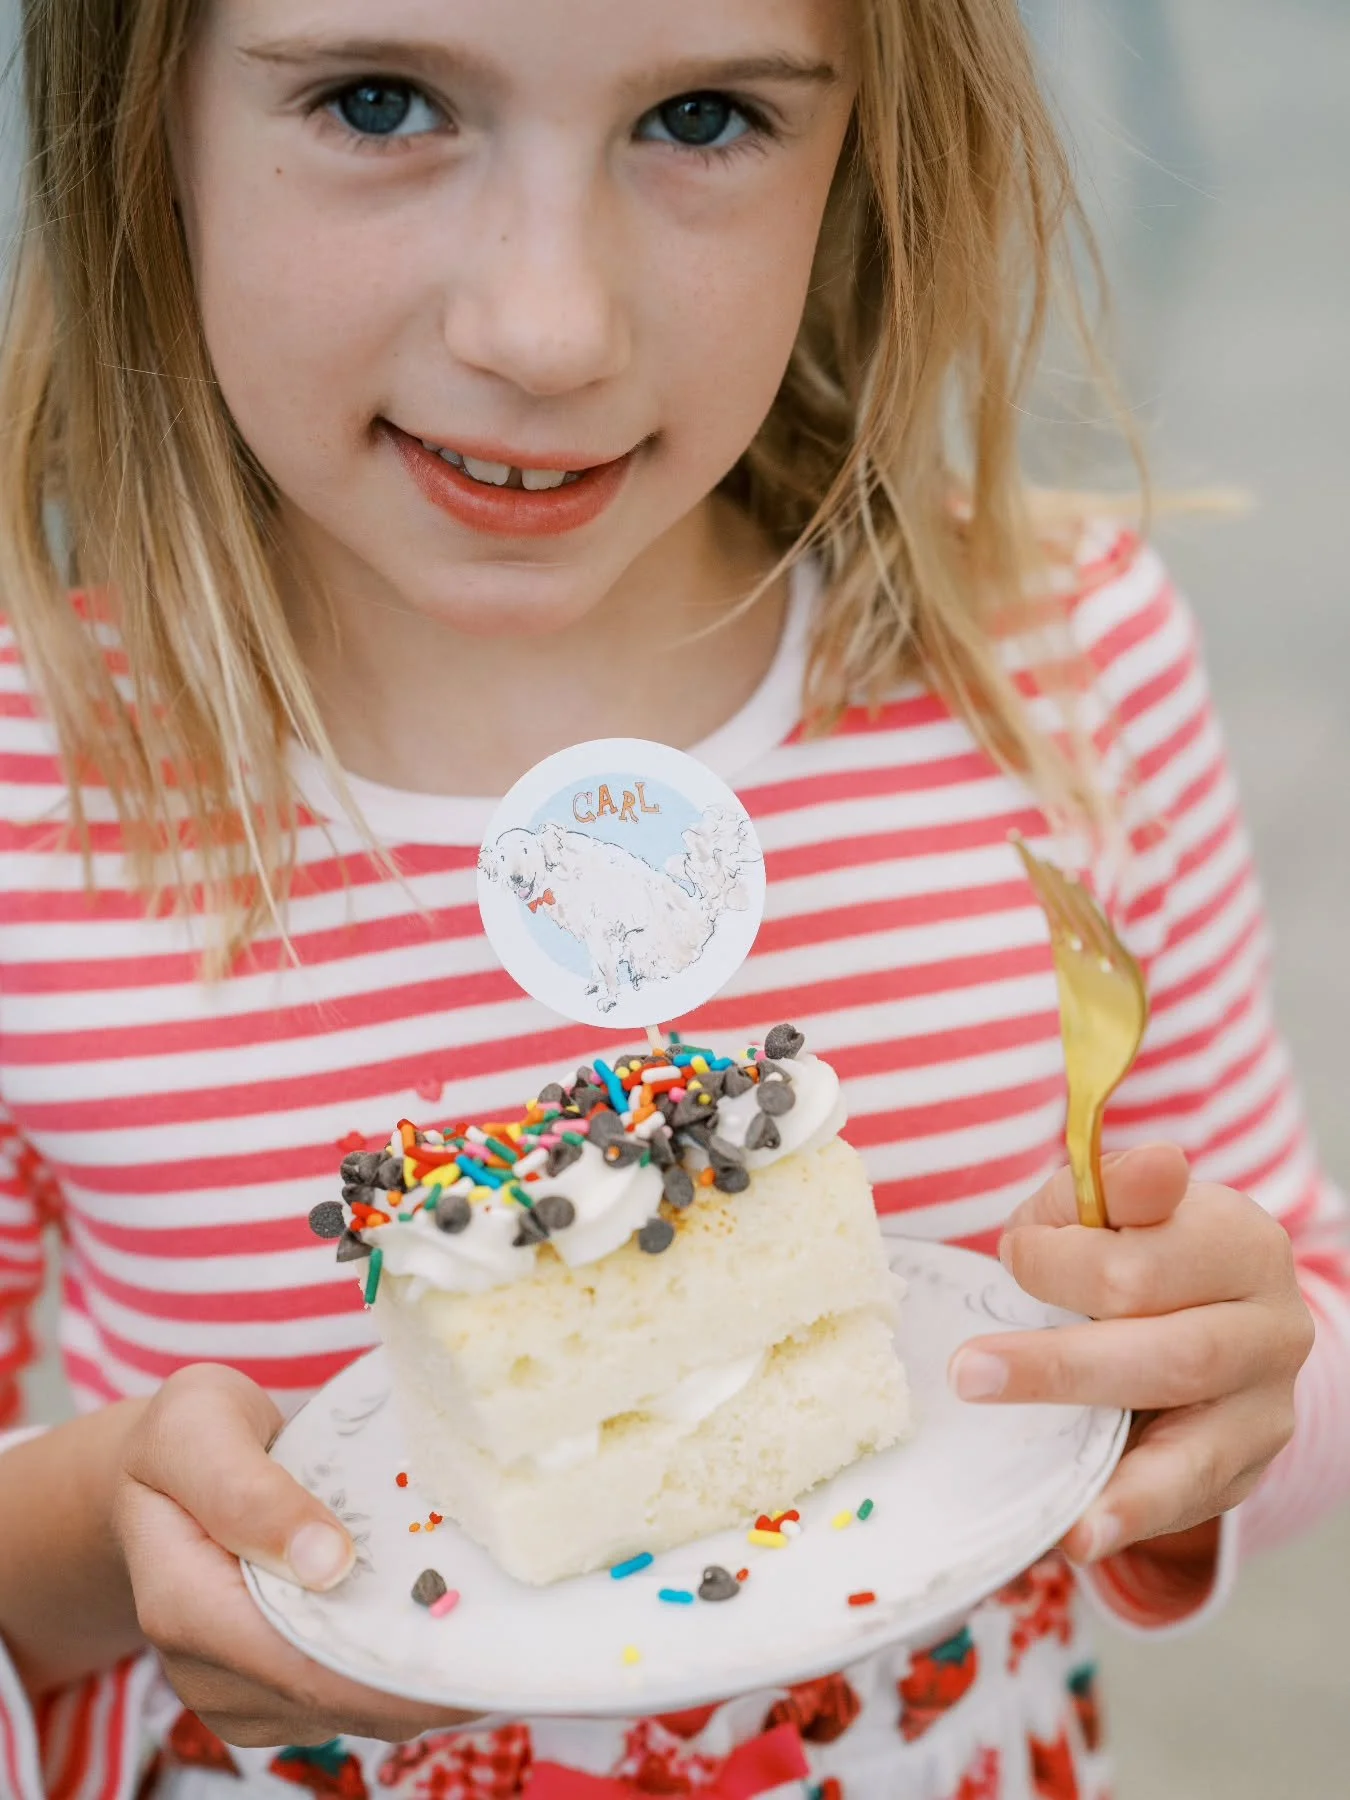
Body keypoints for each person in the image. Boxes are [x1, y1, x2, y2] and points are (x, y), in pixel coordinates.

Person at [0, 1, 1343, 1796]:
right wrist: (96, 1536)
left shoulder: (1055, 661)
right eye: (377, 100)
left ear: (868, 136)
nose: (545, 327)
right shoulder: (33, 791)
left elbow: (1288, 1322)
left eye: (702, 116)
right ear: (132, 113)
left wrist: (1234, 1388)